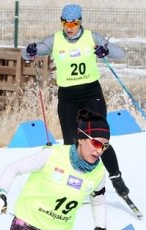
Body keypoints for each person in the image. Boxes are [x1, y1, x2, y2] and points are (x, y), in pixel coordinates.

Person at [21, 4, 132, 198]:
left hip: (91, 94)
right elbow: (26, 53)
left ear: (80, 21)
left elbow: (121, 53)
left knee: (97, 139)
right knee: (71, 144)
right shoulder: (54, 40)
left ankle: (115, 177)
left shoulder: (91, 37)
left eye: (74, 23)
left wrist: (105, 51)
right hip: (68, 98)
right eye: (65, 23)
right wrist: (30, 50)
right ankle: (77, 184)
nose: (69, 27)